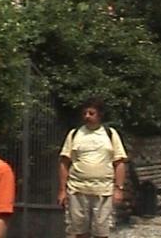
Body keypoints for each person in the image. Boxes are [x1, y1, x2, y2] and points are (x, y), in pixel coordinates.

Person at [58, 97, 127, 238]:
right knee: (79, 230)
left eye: (91, 113)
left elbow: (119, 163)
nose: (87, 117)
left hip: (103, 190)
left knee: (101, 231)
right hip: (77, 189)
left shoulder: (110, 134)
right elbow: (64, 163)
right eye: (84, 114)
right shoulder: (75, 134)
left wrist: (119, 189)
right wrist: (62, 190)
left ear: (99, 115)